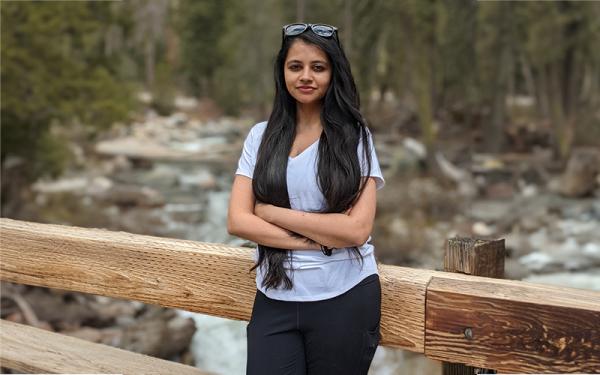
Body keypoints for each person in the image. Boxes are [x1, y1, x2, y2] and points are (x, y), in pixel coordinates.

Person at [227, 22, 385, 375]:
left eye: (318, 67)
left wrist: (268, 212)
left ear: (333, 73)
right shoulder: (261, 137)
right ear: (282, 71)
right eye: (295, 66)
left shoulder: (354, 137)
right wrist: (319, 240)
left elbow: (356, 230)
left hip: (345, 296)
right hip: (275, 295)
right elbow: (238, 221)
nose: (306, 76)